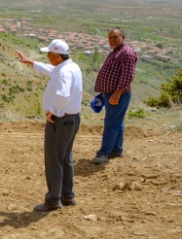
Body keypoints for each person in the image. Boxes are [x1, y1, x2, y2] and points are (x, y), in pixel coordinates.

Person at [16, 39, 83, 212]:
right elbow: (52, 70)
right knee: (65, 157)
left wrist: (52, 111)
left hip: (60, 121)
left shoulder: (63, 73)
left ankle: (53, 199)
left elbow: (62, 94)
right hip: (72, 118)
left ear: (57, 56)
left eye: (49, 55)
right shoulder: (70, 67)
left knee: (54, 160)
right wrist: (31, 62)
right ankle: (67, 195)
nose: (47, 57)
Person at [92, 28, 137, 164]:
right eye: (110, 37)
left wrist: (117, 94)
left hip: (118, 94)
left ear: (123, 36)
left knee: (111, 123)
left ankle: (104, 153)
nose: (112, 40)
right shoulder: (117, 51)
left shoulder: (127, 53)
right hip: (110, 93)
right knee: (117, 122)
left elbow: (127, 76)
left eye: (115, 37)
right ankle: (117, 149)